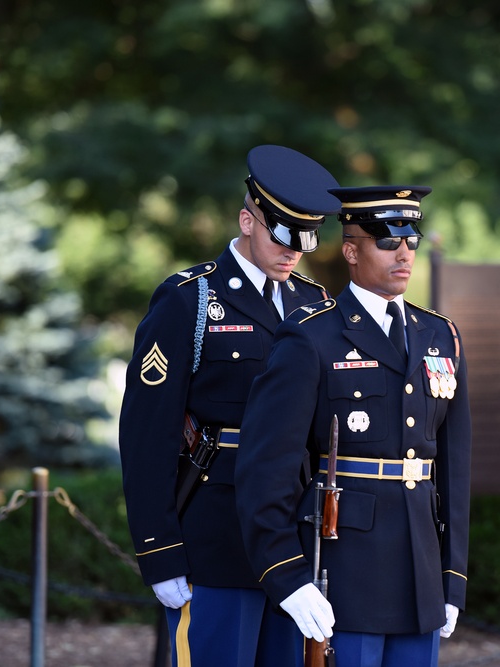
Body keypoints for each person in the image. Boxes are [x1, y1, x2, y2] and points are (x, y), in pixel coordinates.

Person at [118, 144, 341, 666]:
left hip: (291, 538)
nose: (294, 252)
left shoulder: (316, 305)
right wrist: (158, 550)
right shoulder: (189, 300)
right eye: (282, 236)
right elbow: (147, 433)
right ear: (247, 220)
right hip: (213, 539)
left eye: (305, 240)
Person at [234, 185, 472, 667]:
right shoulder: (311, 335)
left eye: (411, 241)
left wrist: (452, 576)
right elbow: (267, 468)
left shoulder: (439, 334)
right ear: (350, 250)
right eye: (387, 241)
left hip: (420, 571)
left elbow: (454, 466)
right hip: (346, 571)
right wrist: (286, 575)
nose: (403, 253)